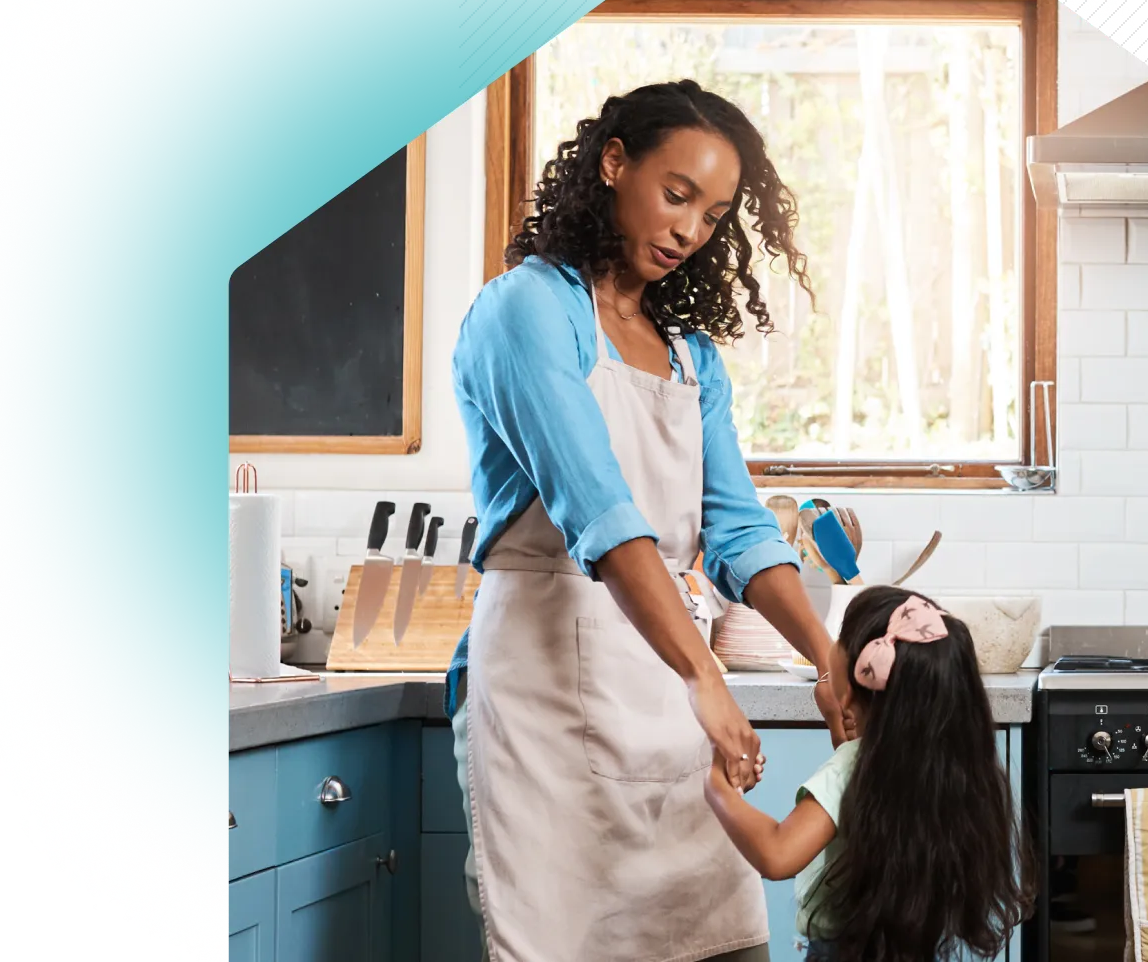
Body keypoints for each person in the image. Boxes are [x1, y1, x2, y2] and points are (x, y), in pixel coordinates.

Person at [443, 80, 851, 962]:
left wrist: (829, 659)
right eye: (676, 195)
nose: (689, 231)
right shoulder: (526, 310)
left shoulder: (691, 356)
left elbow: (738, 531)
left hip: (667, 690)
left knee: (714, 941)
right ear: (613, 162)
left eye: (712, 215)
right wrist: (706, 676)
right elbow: (602, 513)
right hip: (545, 691)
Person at [703, 586, 1035, 962]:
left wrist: (717, 787)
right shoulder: (950, 762)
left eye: (843, 635)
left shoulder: (852, 765)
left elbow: (777, 854)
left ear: (857, 676)